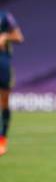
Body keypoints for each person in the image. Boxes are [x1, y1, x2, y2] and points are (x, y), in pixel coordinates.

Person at [0, 9, 24, 156]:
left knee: (4, 102)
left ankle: (2, 140)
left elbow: (19, 37)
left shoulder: (4, 16)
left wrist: (5, 36)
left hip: (2, 63)